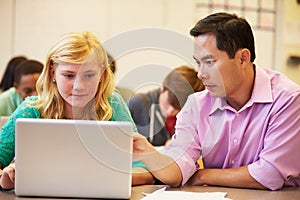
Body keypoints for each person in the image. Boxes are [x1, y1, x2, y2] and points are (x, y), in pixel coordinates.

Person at [133, 12, 300, 190]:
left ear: (243, 58)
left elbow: (269, 174)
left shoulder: (288, 100)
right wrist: (145, 150)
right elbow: (177, 168)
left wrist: (205, 175)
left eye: (209, 62)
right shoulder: (196, 105)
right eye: (198, 63)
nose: (200, 74)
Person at [0, 31, 151, 190]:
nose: (79, 86)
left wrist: (107, 179)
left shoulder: (113, 105)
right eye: (69, 75)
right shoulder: (31, 110)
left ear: (102, 74)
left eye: (88, 75)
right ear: (53, 73)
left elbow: (144, 168)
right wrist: (7, 177)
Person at [128, 66, 205, 146]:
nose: (170, 111)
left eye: (178, 108)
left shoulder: (194, 114)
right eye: (169, 103)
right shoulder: (137, 104)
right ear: (163, 88)